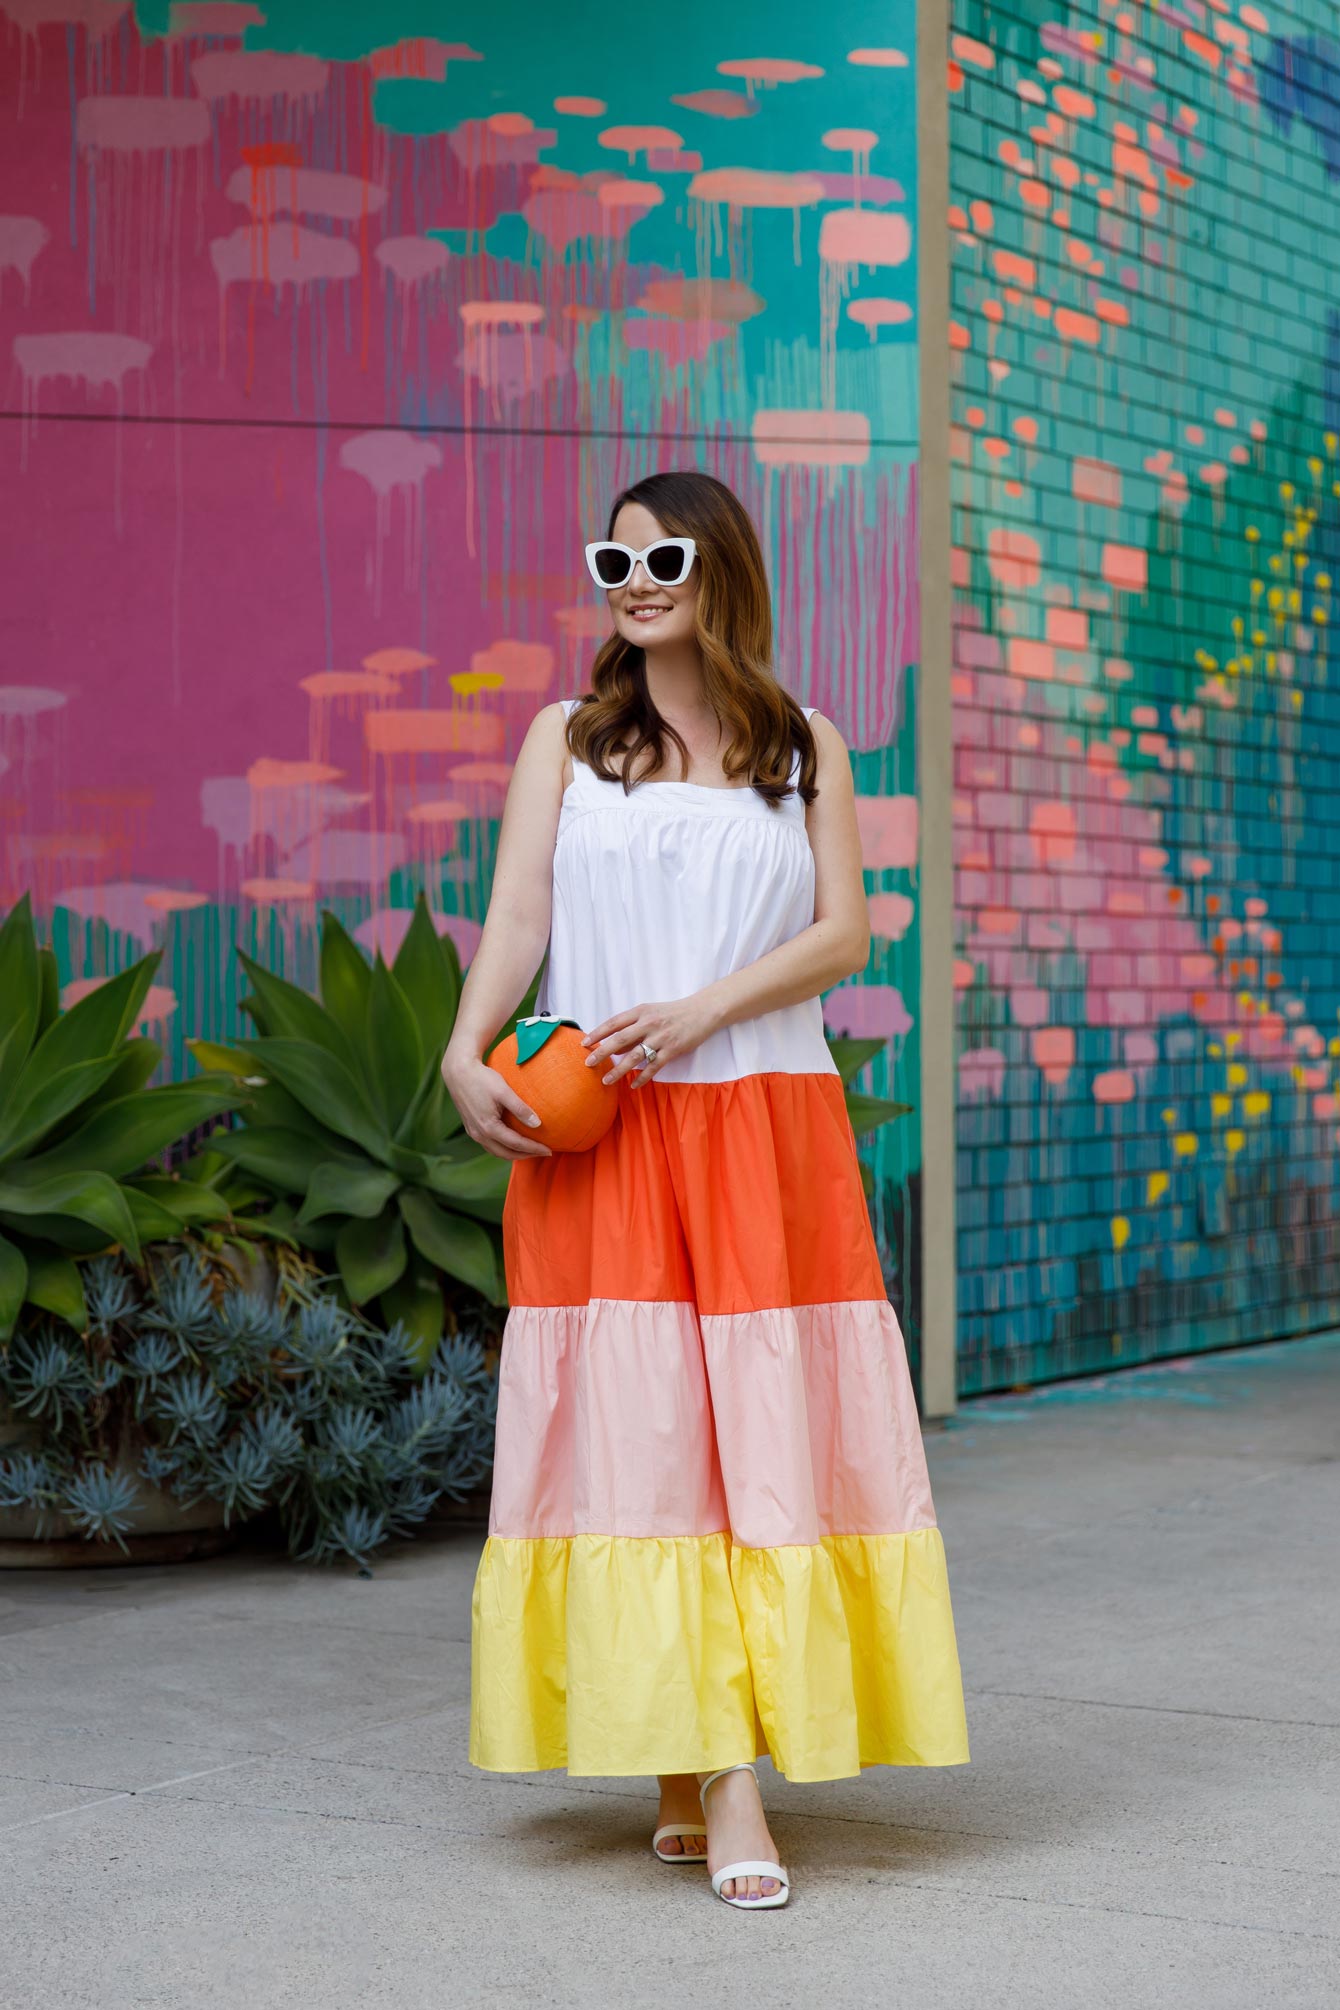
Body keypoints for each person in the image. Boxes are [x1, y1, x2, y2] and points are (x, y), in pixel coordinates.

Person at [443, 469, 969, 1911]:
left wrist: (696, 1008)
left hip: (758, 1124)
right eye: (612, 553)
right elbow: (522, 915)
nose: (634, 574)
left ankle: (717, 1771)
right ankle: (704, 1766)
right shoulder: (563, 737)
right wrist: (457, 1046)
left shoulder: (804, 747)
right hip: (600, 1132)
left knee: (750, 1438)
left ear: (719, 564)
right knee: (645, 1446)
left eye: (663, 552)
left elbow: (846, 931)